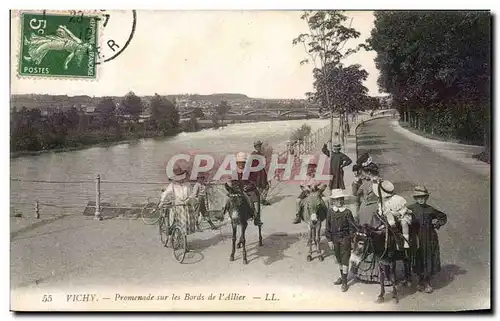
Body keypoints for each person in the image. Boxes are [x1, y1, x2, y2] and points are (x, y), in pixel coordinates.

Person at [407, 186, 447, 294]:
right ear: (415, 198)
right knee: (418, 257)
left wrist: (437, 224)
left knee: (428, 257)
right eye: (419, 197)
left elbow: (443, 216)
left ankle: (427, 282)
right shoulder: (410, 208)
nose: (421, 199)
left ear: (427, 197)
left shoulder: (430, 209)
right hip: (417, 237)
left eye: (423, 197)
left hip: (430, 237)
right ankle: (420, 280)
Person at [351, 162, 381, 283]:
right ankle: (369, 271)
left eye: (370, 172)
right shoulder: (370, 183)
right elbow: (355, 193)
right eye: (368, 172)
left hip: (370, 212)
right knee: (368, 238)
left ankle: (370, 271)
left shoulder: (372, 184)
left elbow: (355, 193)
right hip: (370, 212)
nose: (368, 174)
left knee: (368, 238)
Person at [326, 189, 359, 292]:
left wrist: (349, 238)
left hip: (345, 239)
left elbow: (352, 227)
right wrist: (329, 240)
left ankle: (344, 282)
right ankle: (342, 276)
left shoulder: (347, 212)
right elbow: (328, 226)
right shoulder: (331, 211)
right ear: (333, 201)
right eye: (337, 200)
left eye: (341, 199)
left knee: (345, 260)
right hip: (335, 239)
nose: (339, 201)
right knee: (339, 259)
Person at [159, 162, 197, 238]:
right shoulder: (173, 185)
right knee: (175, 221)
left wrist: (189, 199)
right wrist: (162, 202)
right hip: (177, 205)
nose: (180, 180)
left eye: (181, 178)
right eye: (178, 178)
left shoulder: (187, 185)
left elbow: (192, 194)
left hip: (186, 205)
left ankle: (184, 237)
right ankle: (174, 234)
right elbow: (166, 193)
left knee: (186, 223)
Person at [372, 180, 412, 250]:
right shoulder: (382, 201)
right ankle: (389, 238)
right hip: (388, 217)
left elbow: (404, 209)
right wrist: (381, 213)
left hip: (401, 216)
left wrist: (398, 213)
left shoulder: (397, 199)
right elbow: (381, 210)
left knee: (404, 223)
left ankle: (406, 241)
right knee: (384, 220)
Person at [226, 151, 262, 226]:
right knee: (229, 198)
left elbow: (253, 181)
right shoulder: (234, 171)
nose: (240, 164)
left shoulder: (250, 170)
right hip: (238, 190)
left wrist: (248, 186)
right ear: (236, 163)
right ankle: (226, 213)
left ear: (245, 163)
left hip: (249, 190)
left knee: (255, 201)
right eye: (239, 163)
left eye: (242, 162)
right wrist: (234, 187)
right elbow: (233, 182)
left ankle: (256, 217)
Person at [292, 158, 326, 224]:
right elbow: (301, 184)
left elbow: (321, 182)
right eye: (309, 167)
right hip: (306, 191)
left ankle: (327, 215)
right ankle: (298, 216)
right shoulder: (304, 175)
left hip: (316, 190)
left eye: (312, 167)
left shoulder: (317, 174)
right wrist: (307, 188)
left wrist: (315, 184)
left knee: (325, 200)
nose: (310, 168)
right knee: (298, 201)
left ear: (314, 168)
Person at [251, 140, 271, 206]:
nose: (259, 147)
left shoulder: (261, 154)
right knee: (259, 186)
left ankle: (262, 199)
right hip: (256, 173)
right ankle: (258, 200)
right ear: (255, 147)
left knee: (265, 186)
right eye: (257, 146)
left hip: (262, 172)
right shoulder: (253, 154)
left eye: (260, 146)